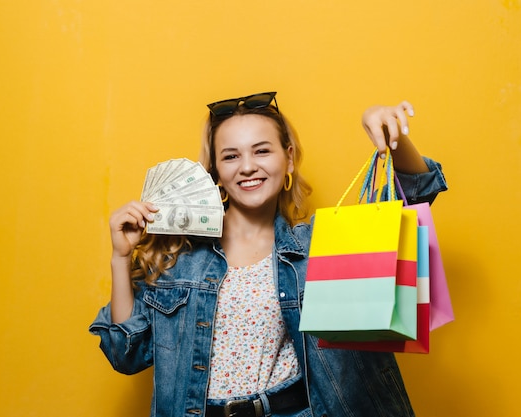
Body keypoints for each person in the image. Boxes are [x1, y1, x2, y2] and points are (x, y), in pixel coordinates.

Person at [89, 92, 448, 417]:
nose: (247, 166)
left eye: (262, 150)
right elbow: (127, 353)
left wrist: (392, 136)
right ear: (215, 172)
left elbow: (414, 195)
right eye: (231, 156)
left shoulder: (320, 246)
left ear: (288, 158)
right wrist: (120, 258)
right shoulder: (180, 258)